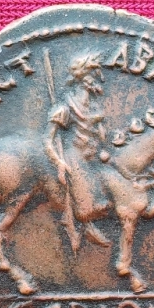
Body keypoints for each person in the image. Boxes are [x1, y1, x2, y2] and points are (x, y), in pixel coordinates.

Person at [44, 54, 111, 250]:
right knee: (89, 206)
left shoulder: (94, 108)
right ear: (83, 79)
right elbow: (47, 140)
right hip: (73, 158)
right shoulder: (64, 108)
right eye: (94, 76)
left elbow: (101, 137)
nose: (99, 80)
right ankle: (85, 226)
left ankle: (88, 226)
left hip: (93, 158)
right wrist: (59, 162)